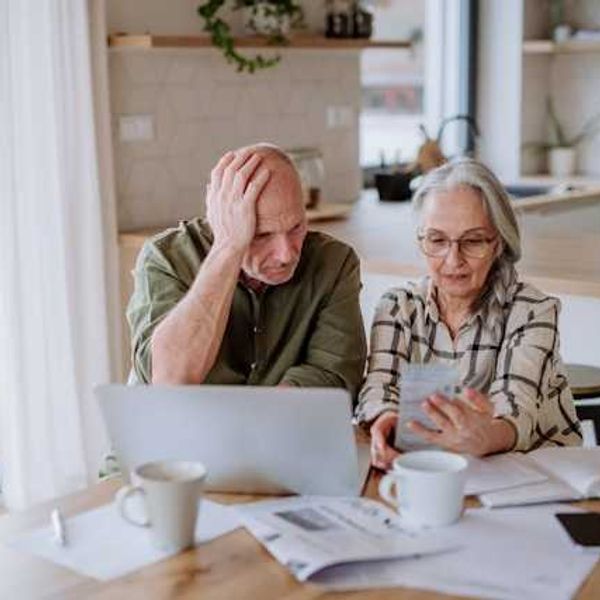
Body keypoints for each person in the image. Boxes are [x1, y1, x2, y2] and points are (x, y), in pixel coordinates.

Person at [356, 158, 582, 469]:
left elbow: (517, 408)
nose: (453, 260)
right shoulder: (398, 307)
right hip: (437, 470)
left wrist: (485, 436)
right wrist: (386, 418)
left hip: (537, 474)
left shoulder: (531, 311)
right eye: (437, 240)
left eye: (473, 241)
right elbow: (379, 386)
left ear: (498, 243)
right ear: (421, 240)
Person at [127, 143, 367, 398]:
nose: (286, 254)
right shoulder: (167, 258)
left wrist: (255, 421)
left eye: (296, 227)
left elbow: (335, 376)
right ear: (221, 220)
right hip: (189, 432)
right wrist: (229, 248)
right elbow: (170, 380)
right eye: (261, 235)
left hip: (284, 431)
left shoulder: (335, 263)